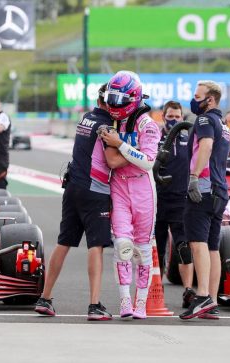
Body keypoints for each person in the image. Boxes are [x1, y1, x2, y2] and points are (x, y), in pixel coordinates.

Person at [34, 84, 113, 321]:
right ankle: (94, 304)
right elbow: (113, 160)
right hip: (94, 190)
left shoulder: (86, 118)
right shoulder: (106, 126)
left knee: (64, 242)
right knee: (96, 246)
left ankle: (45, 298)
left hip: (72, 186)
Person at [99, 70, 161, 320]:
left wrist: (120, 144)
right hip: (119, 188)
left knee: (143, 250)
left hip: (144, 189)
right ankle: (125, 299)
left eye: (120, 99)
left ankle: (142, 303)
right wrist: (125, 149)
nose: (114, 105)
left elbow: (147, 162)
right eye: (111, 98)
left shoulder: (149, 125)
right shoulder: (112, 124)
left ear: (133, 98)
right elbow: (113, 160)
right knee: (122, 245)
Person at [179, 80, 230, 320]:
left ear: (210, 100)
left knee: (197, 242)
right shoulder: (224, 123)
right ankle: (212, 299)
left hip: (203, 188)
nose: (193, 100)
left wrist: (193, 177)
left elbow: (207, 146)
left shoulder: (204, 120)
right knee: (211, 247)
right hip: (220, 190)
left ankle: (201, 297)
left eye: (197, 96)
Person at [154, 100, 195, 309]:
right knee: (157, 249)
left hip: (181, 201)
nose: (173, 121)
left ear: (182, 118)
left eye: (177, 117)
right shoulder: (155, 138)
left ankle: (188, 290)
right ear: (163, 117)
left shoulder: (190, 138)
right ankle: (155, 289)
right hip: (157, 200)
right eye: (170, 117)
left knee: (183, 246)